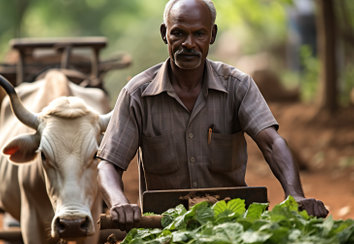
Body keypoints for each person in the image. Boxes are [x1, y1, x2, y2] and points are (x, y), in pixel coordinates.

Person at [97, 0, 329, 231]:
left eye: (199, 34)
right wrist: (119, 202)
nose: (188, 43)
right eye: (178, 33)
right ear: (164, 34)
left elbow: (272, 143)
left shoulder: (238, 86)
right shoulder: (137, 94)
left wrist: (295, 196)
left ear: (213, 35)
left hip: (232, 226)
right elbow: (108, 165)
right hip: (163, 229)